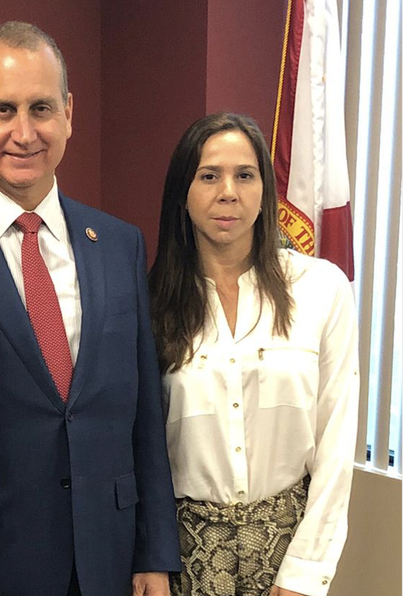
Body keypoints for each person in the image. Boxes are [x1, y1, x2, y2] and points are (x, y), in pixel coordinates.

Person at [0, 21, 181, 596]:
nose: (24, 132)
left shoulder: (119, 244)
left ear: (69, 114)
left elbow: (143, 414)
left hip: (108, 561)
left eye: (42, 108)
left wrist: (154, 552)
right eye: (3, 109)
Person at [148, 113, 359, 596]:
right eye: (208, 175)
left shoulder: (321, 289)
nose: (228, 191)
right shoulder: (149, 302)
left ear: (265, 188)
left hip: (289, 551)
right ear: (183, 192)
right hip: (184, 558)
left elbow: (335, 439)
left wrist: (306, 572)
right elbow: (139, 448)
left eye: (245, 174)